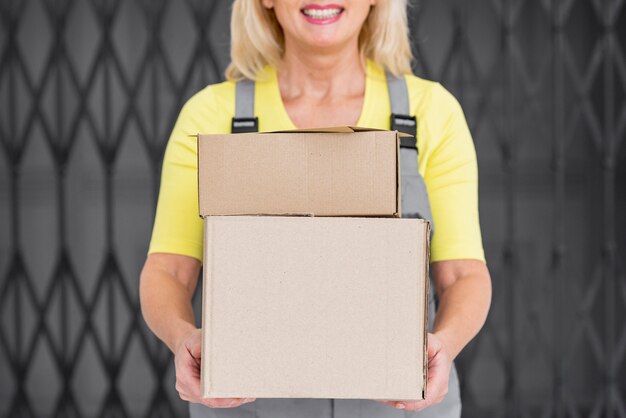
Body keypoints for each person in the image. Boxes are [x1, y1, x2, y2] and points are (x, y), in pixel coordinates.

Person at [139, 1, 492, 417]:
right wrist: (183, 338)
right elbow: (168, 271)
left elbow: (464, 276)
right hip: (245, 407)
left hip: (401, 408)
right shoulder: (213, 117)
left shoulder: (431, 113)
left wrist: (444, 344)